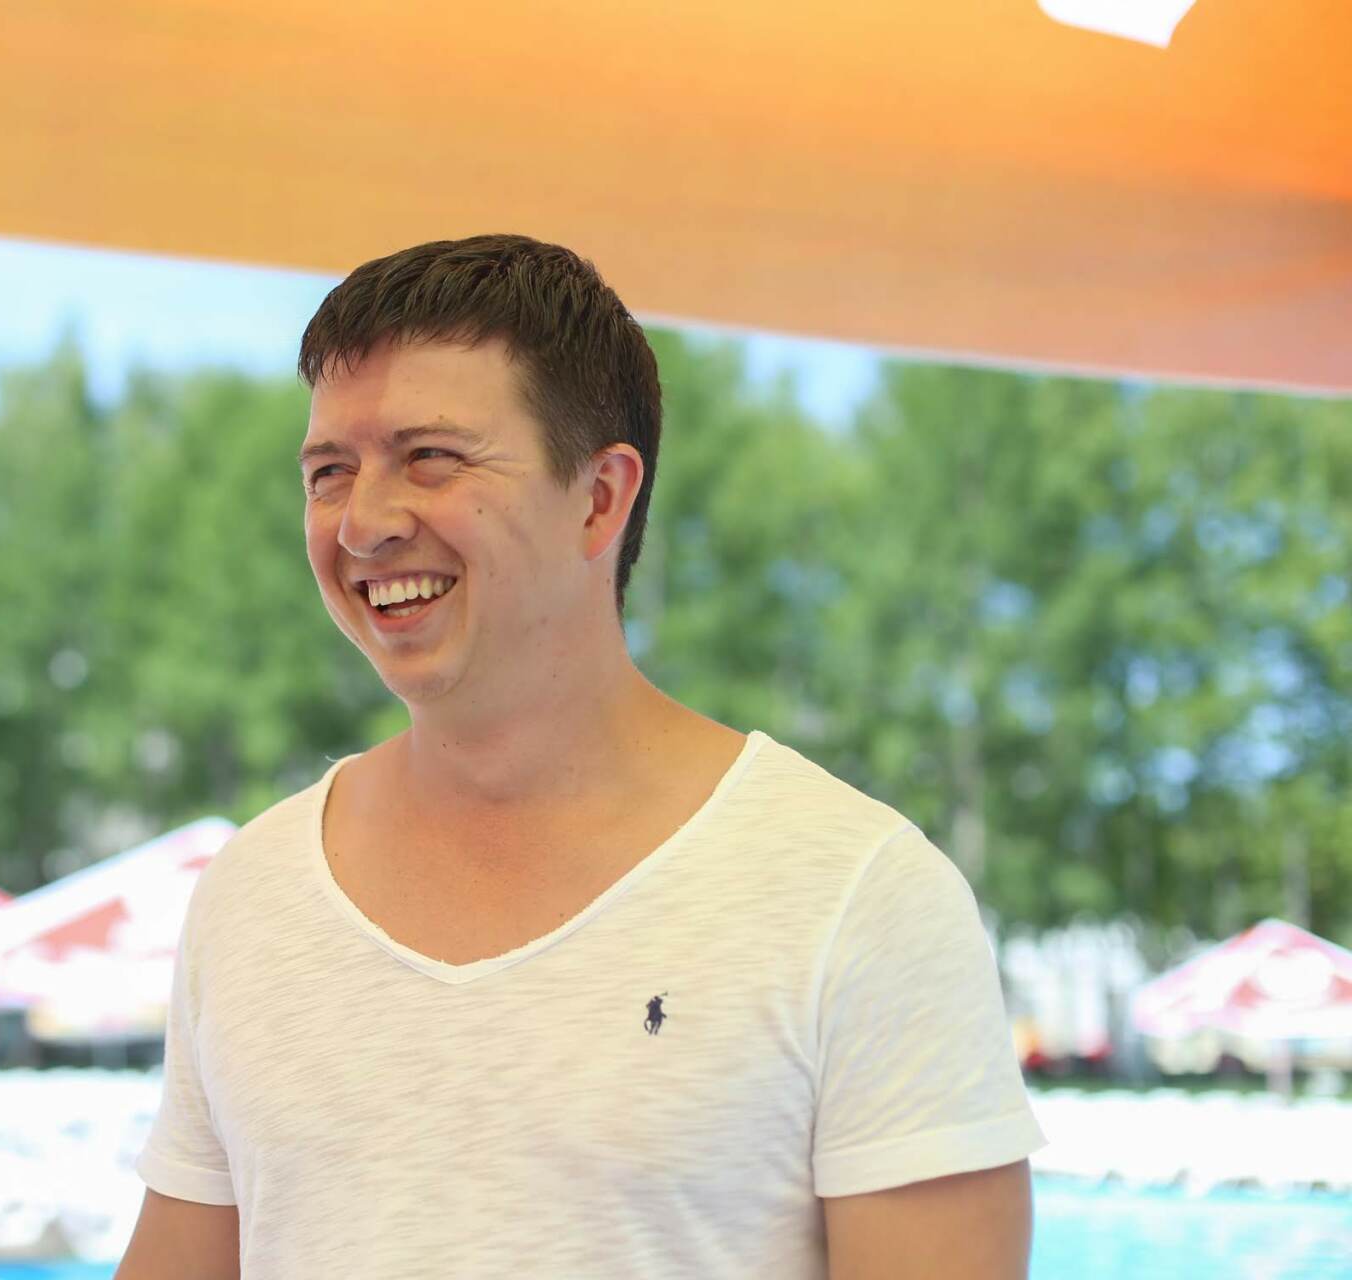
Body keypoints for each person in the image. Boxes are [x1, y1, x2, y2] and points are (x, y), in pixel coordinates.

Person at [115, 234, 1044, 1279]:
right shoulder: (253, 893)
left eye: (431, 457)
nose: (363, 523)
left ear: (601, 497)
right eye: (330, 472)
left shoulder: (859, 898)